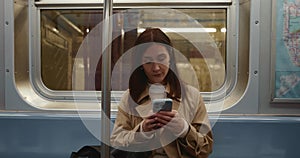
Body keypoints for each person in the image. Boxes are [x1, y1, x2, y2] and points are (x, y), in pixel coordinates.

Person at [110, 28, 213, 158]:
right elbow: (116, 142)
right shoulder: (129, 98)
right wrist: (142, 132)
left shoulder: (192, 96)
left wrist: (184, 130)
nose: (156, 68)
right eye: (148, 61)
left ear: (170, 58)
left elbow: (206, 148)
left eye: (161, 58)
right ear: (140, 64)